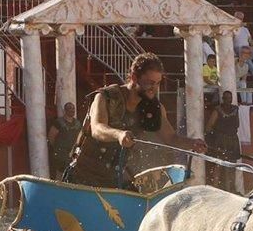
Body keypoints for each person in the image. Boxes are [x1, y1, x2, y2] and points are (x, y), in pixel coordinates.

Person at [64, 53, 204, 190]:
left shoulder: (154, 108)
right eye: (150, 83)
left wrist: (192, 143)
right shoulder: (106, 97)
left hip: (113, 180)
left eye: (157, 83)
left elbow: (171, 138)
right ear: (134, 77)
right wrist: (119, 135)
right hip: (82, 178)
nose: (154, 89)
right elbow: (97, 128)